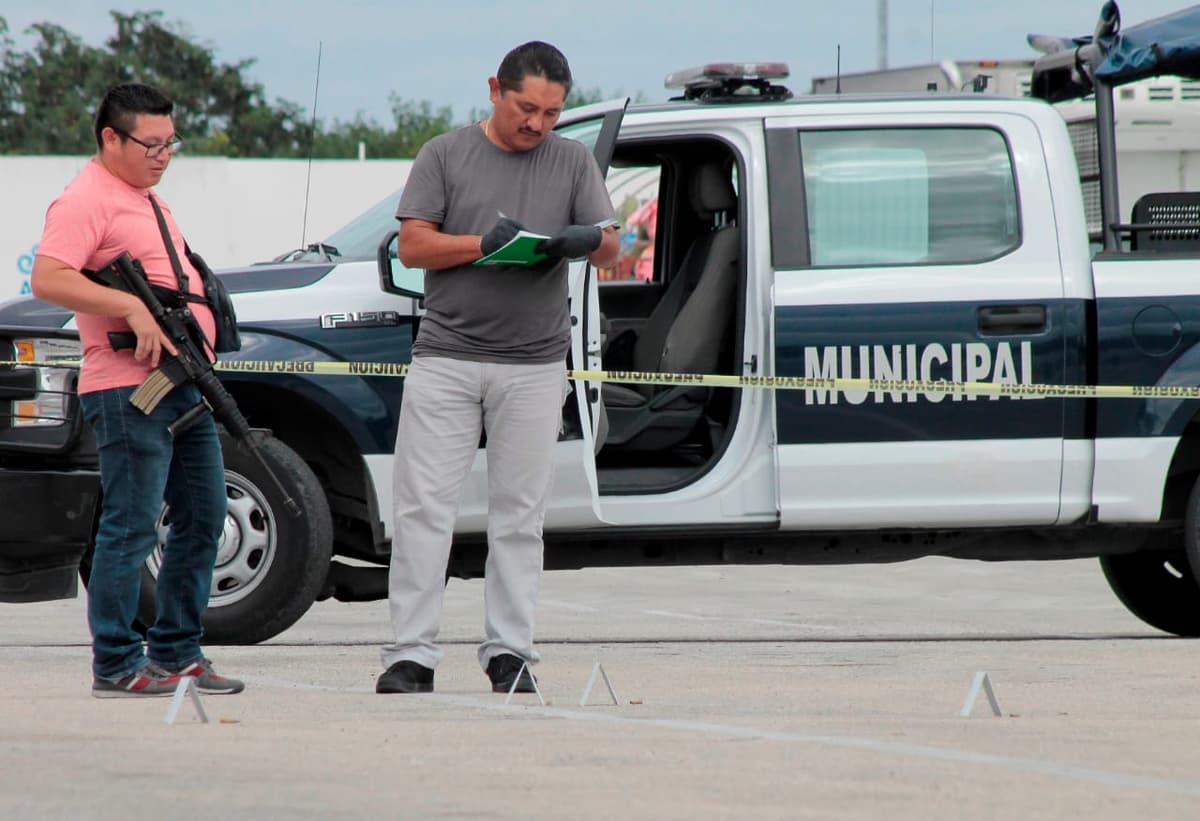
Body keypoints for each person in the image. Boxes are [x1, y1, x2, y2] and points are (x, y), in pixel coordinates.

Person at [378, 41, 619, 694]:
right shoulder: (445, 153)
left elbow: (611, 245)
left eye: (551, 111)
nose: (537, 123)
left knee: (519, 514)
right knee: (423, 510)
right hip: (446, 359)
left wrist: (585, 241)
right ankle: (410, 656)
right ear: (494, 89)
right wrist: (480, 246)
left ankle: (510, 654)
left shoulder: (571, 160)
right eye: (526, 107)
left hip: (536, 366)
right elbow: (413, 244)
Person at [32, 83, 244, 699]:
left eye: (170, 142)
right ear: (110, 138)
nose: (163, 155)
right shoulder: (85, 200)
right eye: (151, 144)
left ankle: (176, 652)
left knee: (205, 516)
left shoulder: (144, 197)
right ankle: (117, 662)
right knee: (132, 526)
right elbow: (50, 276)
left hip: (181, 384)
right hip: (129, 389)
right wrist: (129, 304)